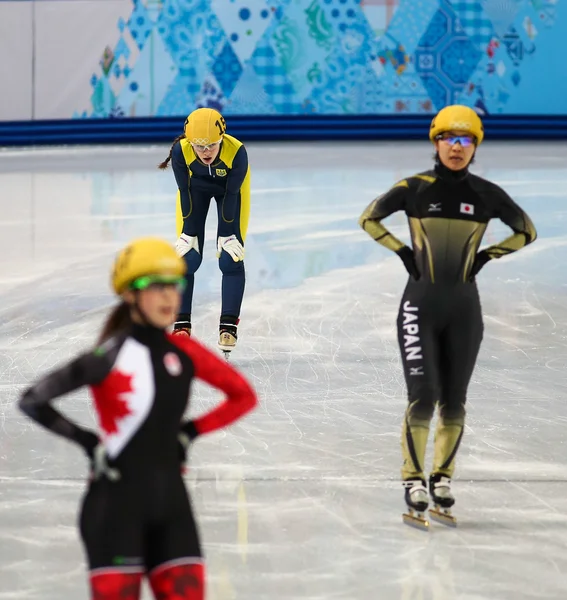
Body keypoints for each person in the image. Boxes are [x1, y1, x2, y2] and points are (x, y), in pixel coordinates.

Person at [19, 237, 258, 599]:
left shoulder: (185, 351)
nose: (169, 297)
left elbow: (243, 396)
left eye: (174, 285)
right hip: (114, 510)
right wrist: (90, 443)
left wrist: (191, 432)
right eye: (154, 286)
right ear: (130, 294)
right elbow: (33, 400)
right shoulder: (108, 355)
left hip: (172, 508)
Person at [358, 105, 537, 526]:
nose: (457, 148)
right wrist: (402, 251)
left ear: (476, 146)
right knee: (422, 397)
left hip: (464, 311)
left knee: (454, 401)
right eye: (449, 139)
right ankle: (412, 478)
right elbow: (369, 218)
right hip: (418, 308)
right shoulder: (414, 188)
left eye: (466, 140)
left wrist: (489, 255)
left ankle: (441, 477)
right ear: (435, 142)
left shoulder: (486, 194)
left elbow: (526, 230)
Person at [158, 108, 251, 355]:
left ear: (221, 139)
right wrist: (188, 234)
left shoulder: (237, 152)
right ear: (190, 142)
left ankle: (228, 327)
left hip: (229, 194)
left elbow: (232, 195)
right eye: (199, 147)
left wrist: (228, 234)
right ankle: (181, 323)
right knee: (187, 258)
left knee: (231, 258)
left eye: (212, 145)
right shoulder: (181, 150)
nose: (206, 151)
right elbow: (184, 191)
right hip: (194, 192)